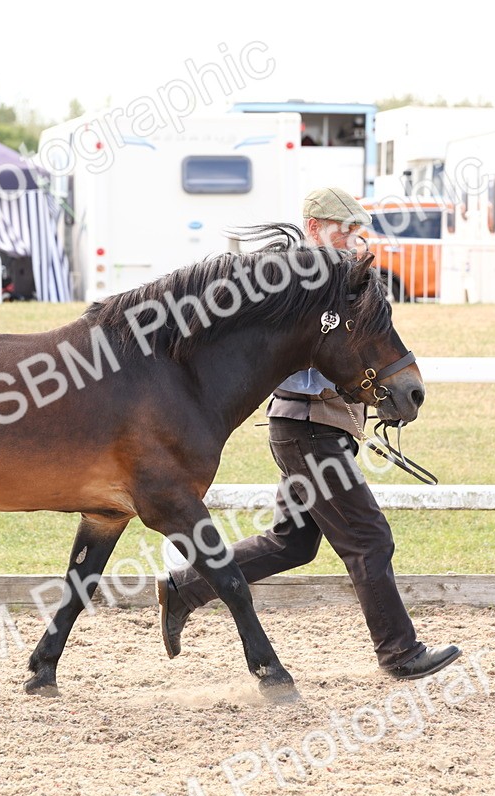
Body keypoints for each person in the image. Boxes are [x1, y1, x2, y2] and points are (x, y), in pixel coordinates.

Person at [156, 187, 461, 680]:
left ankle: (186, 587)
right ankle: (400, 654)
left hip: (313, 426)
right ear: (315, 226)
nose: (353, 240)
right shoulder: (294, 282)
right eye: (345, 231)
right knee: (368, 538)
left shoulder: (333, 280)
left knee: (292, 543)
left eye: (358, 232)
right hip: (308, 425)